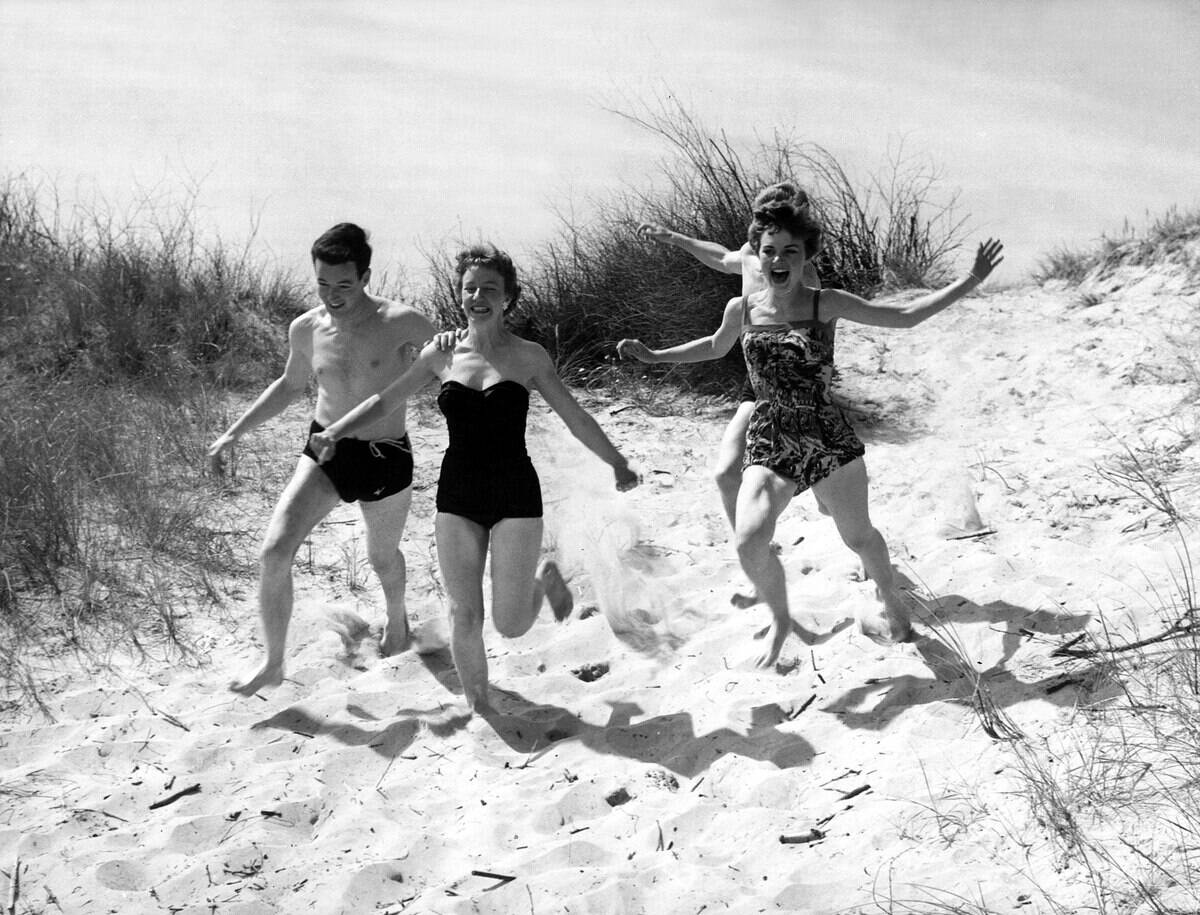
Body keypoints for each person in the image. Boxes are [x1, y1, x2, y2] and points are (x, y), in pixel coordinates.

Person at [619, 199, 1003, 668]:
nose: (778, 260)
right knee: (748, 541)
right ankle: (781, 619)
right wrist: (655, 356)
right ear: (757, 254)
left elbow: (904, 316)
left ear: (805, 257)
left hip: (825, 438)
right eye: (769, 251)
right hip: (770, 437)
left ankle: (890, 595)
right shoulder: (742, 308)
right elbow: (714, 347)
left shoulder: (826, 303)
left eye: (790, 251)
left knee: (859, 538)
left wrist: (971, 279)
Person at [309, 243, 639, 715]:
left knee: (511, 625)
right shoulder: (441, 354)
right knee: (463, 613)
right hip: (457, 496)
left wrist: (617, 462)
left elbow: (575, 416)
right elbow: (385, 400)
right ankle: (481, 707)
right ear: (459, 294)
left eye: (489, 289)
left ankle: (544, 580)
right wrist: (335, 431)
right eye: (469, 288)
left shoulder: (529, 356)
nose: (478, 297)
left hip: (515, 494)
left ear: (508, 297)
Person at [209, 223, 436, 696]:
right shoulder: (307, 328)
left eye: (344, 285)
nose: (332, 295)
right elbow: (290, 385)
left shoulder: (404, 322)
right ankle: (273, 662)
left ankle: (397, 619)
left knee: (382, 557)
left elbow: (456, 362)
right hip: (326, 451)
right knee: (274, 551)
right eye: (323, 284)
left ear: (365, 276)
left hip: (386, 455)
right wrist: (234, 432)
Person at [637, 182, 822, 541]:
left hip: (803, 390)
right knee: (725, 475)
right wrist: (674, 237)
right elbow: (721, 260)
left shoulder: (803, 269)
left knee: (828, 503)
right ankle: (752, 552)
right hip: (758, 383)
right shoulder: (751, 256)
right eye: (762, 217)